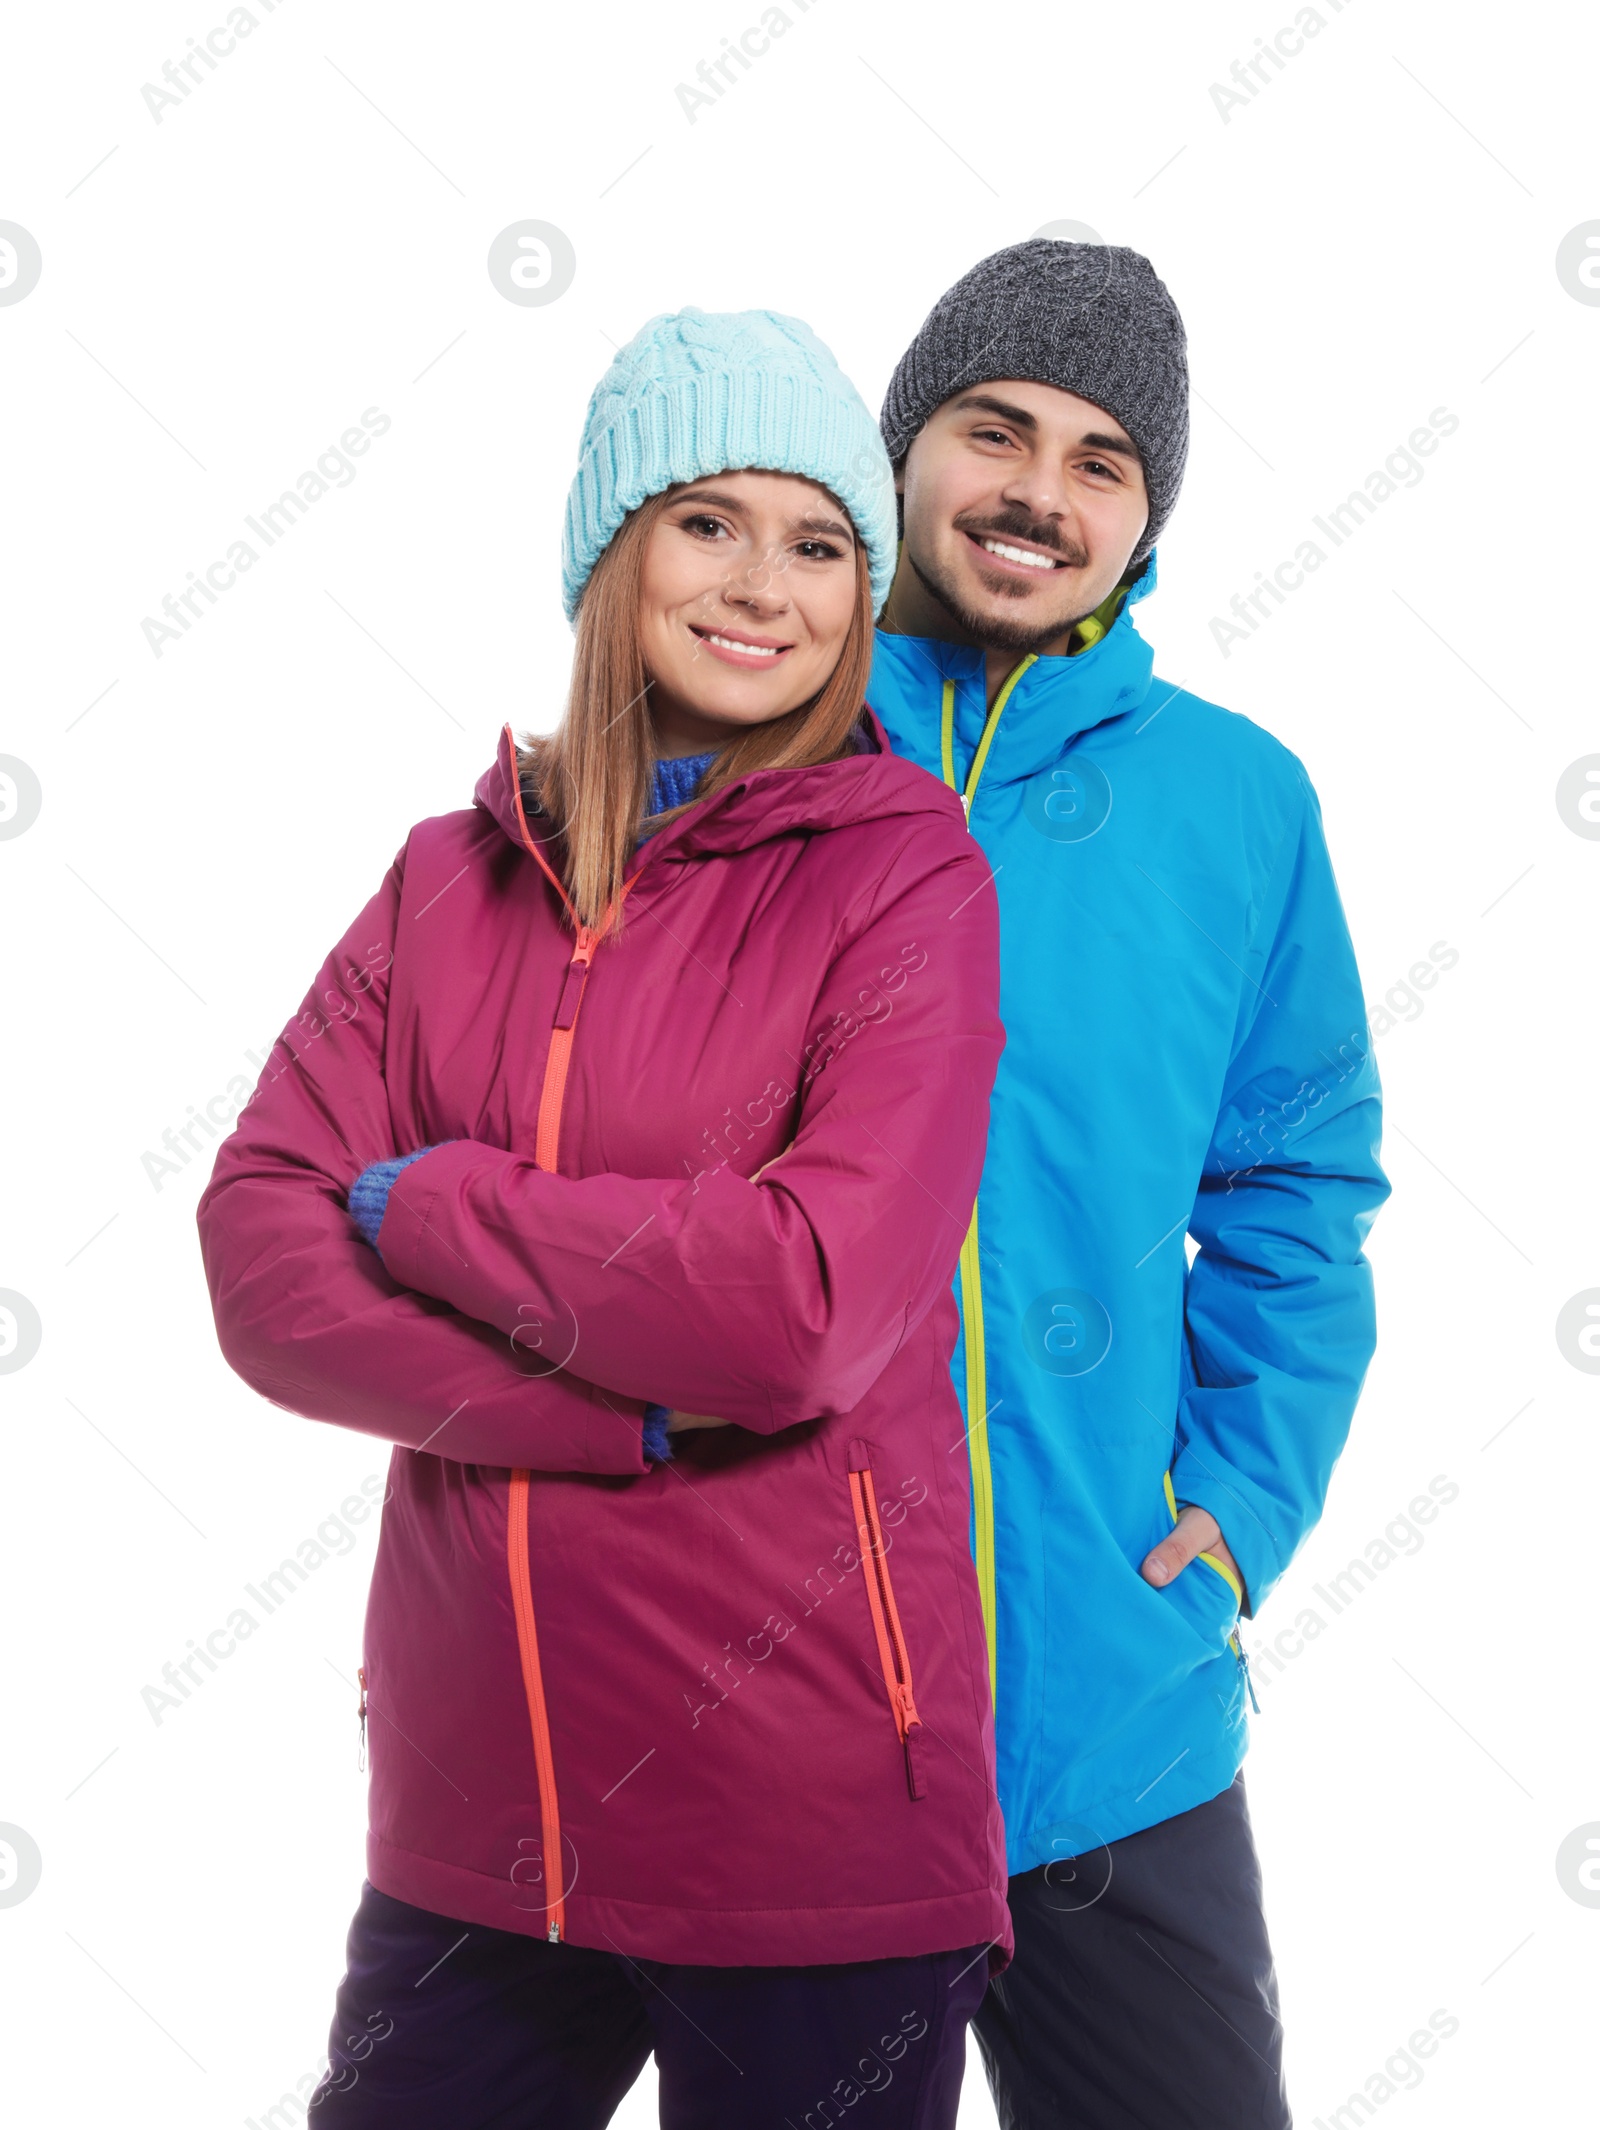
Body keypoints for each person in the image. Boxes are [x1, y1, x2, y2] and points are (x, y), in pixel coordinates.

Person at [195, 308, 1012, 2128]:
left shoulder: (905, 875)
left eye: (819, 546)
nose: (765, 588)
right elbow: (259, 1254)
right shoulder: (447, 879)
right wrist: (612, 1411)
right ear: (613, 549)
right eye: (708, 522)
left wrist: (438, 1204)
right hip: (479, 1819)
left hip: (806, 1827)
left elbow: (799, 1305)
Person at [866, 240, 1391, 2127]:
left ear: (1146, 512)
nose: (1039, 491)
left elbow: (1297, 1187)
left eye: (1102, 460)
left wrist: (1242, 1503)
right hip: (784, 1723)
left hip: (1120, 1720)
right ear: (905, 447)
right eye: (994, 429)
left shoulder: (1237, 802)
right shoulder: (751, 750)